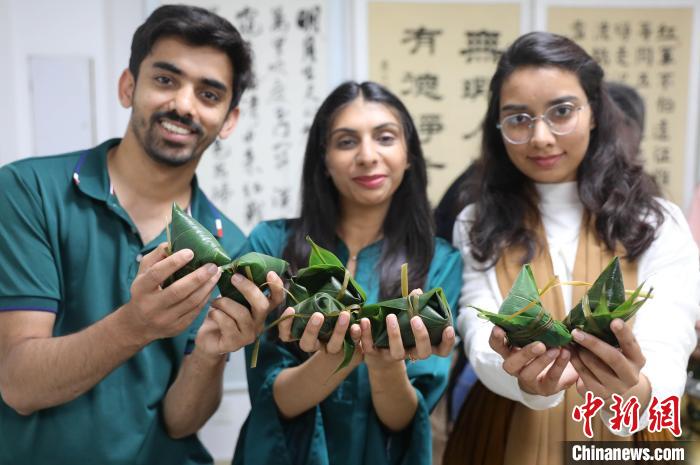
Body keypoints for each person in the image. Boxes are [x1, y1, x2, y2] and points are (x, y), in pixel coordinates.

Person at [0, 5, 284, 465]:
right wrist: (136, 325)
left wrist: (210, 354)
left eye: (209, 94)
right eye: (166, 80)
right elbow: (19, 385)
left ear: (229, 120)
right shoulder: (28, 191)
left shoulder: (228, 244)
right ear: (128, 86)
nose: (184, 105)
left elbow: (180, 423)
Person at [444, 31, 699, 465]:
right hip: (503, 432)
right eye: (518, 118)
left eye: (561, 111)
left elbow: (668, 334)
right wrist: (522, 377)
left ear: (594, 112)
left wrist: (637, 390)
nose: (541, 137)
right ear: (498, 127)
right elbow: (478, 328)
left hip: (627, 434)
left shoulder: (656, 220)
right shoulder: (477, 222)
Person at [232, 81, 462, 465]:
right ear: (324, 159)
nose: (368, 156)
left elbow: (405, 419)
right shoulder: (270, 245)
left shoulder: (440, 260)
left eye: (385, 138)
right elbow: (274, 399)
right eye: (346, 142)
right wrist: (341, 355)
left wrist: (383, 362)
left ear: (409, 155)